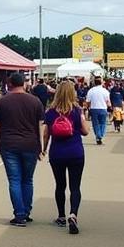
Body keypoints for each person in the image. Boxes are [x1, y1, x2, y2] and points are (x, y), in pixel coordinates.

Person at [0, 71, 44, 227]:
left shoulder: (2, 102)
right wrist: (40, 146)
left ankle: (19, 215)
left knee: (14, 180)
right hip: (30, 144)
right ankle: (26, 212)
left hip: (9, 144)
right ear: (24, 84)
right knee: (28, 180)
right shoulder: (35, 102)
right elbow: (41, 125)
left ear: (10, 84)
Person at [41, 80, 89, 233]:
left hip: (57, 153)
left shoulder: (50, 112)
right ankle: (73, 214)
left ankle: (61, 216)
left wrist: (43, 149)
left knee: (60, 185)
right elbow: (86, 131)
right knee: (75, 186)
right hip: (75, 152)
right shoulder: (76, 110)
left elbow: (46, 133)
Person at [85, 75, 111, 145]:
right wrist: (110, 107)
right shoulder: (105, 91)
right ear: (101, 82)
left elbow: (87, 101)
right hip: (103, 109)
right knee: (103, 123)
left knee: (95, 124)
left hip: (94, 109)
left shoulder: (91, 90)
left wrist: (86, 108)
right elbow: (108, 101)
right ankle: (100, 135)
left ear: (94, 83)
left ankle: (98, 135)